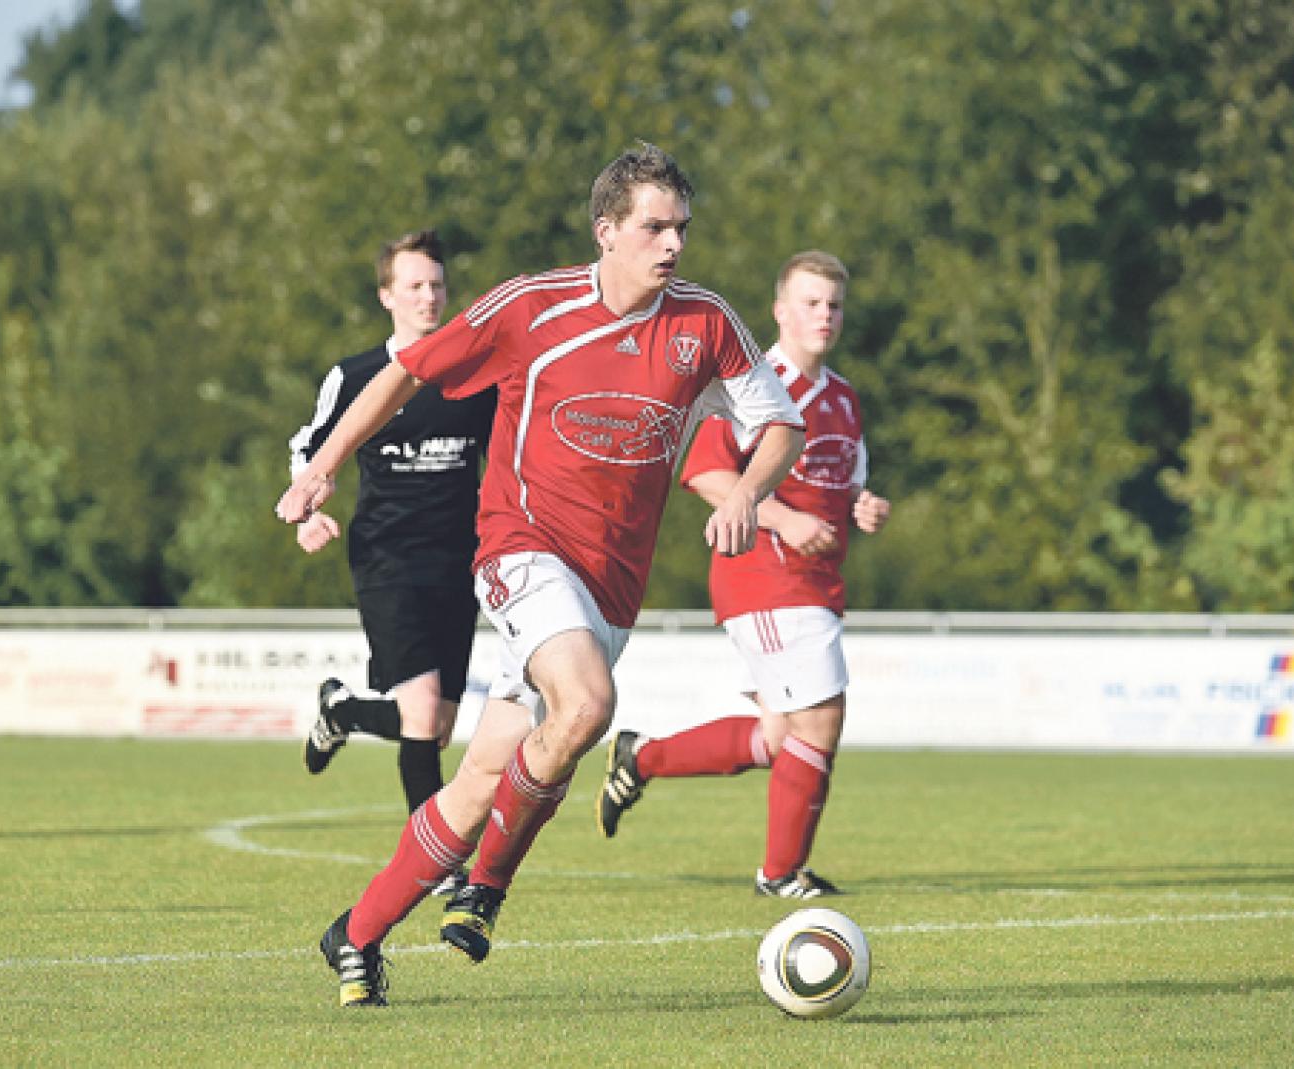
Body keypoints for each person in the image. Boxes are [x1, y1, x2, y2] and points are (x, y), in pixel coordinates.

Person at [275, 143, 806, 1007]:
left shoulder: (705, 322)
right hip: (521, 546)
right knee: (588, 705)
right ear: (606, 231)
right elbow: (406, 371)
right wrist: (323, 466)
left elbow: (779, 424)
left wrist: (748, 489)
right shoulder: (532, 304)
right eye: (654, 227)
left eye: (681, 227)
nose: (674, 243)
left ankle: (356, 932)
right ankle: (486, 887)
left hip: (612, 584)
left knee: (483, 778)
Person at [595, 250, 891, 899]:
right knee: (821, 719)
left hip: (815, 584)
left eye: (834, 305)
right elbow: (705, 472)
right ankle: (780, 874)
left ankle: (642, 756)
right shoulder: (756, 386)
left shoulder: (843, 397)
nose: (825, 315)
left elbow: (844, 483)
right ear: (781, 310)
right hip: (766, 577)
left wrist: (863, 505)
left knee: (781, 736)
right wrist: (782, 519)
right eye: (810, 303)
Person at [288, 229, 495, 837]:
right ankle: (433, 862)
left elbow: (507, 461)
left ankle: (343, 712)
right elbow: (308, 448)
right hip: (387, 556)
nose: (428, 297)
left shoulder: (475, 377)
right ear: (387, 296)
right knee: (423, 711)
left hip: (458, 562)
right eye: (414, 286)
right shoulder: (355, 375)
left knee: (436, 727)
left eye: (437, 285)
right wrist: (307, 511)